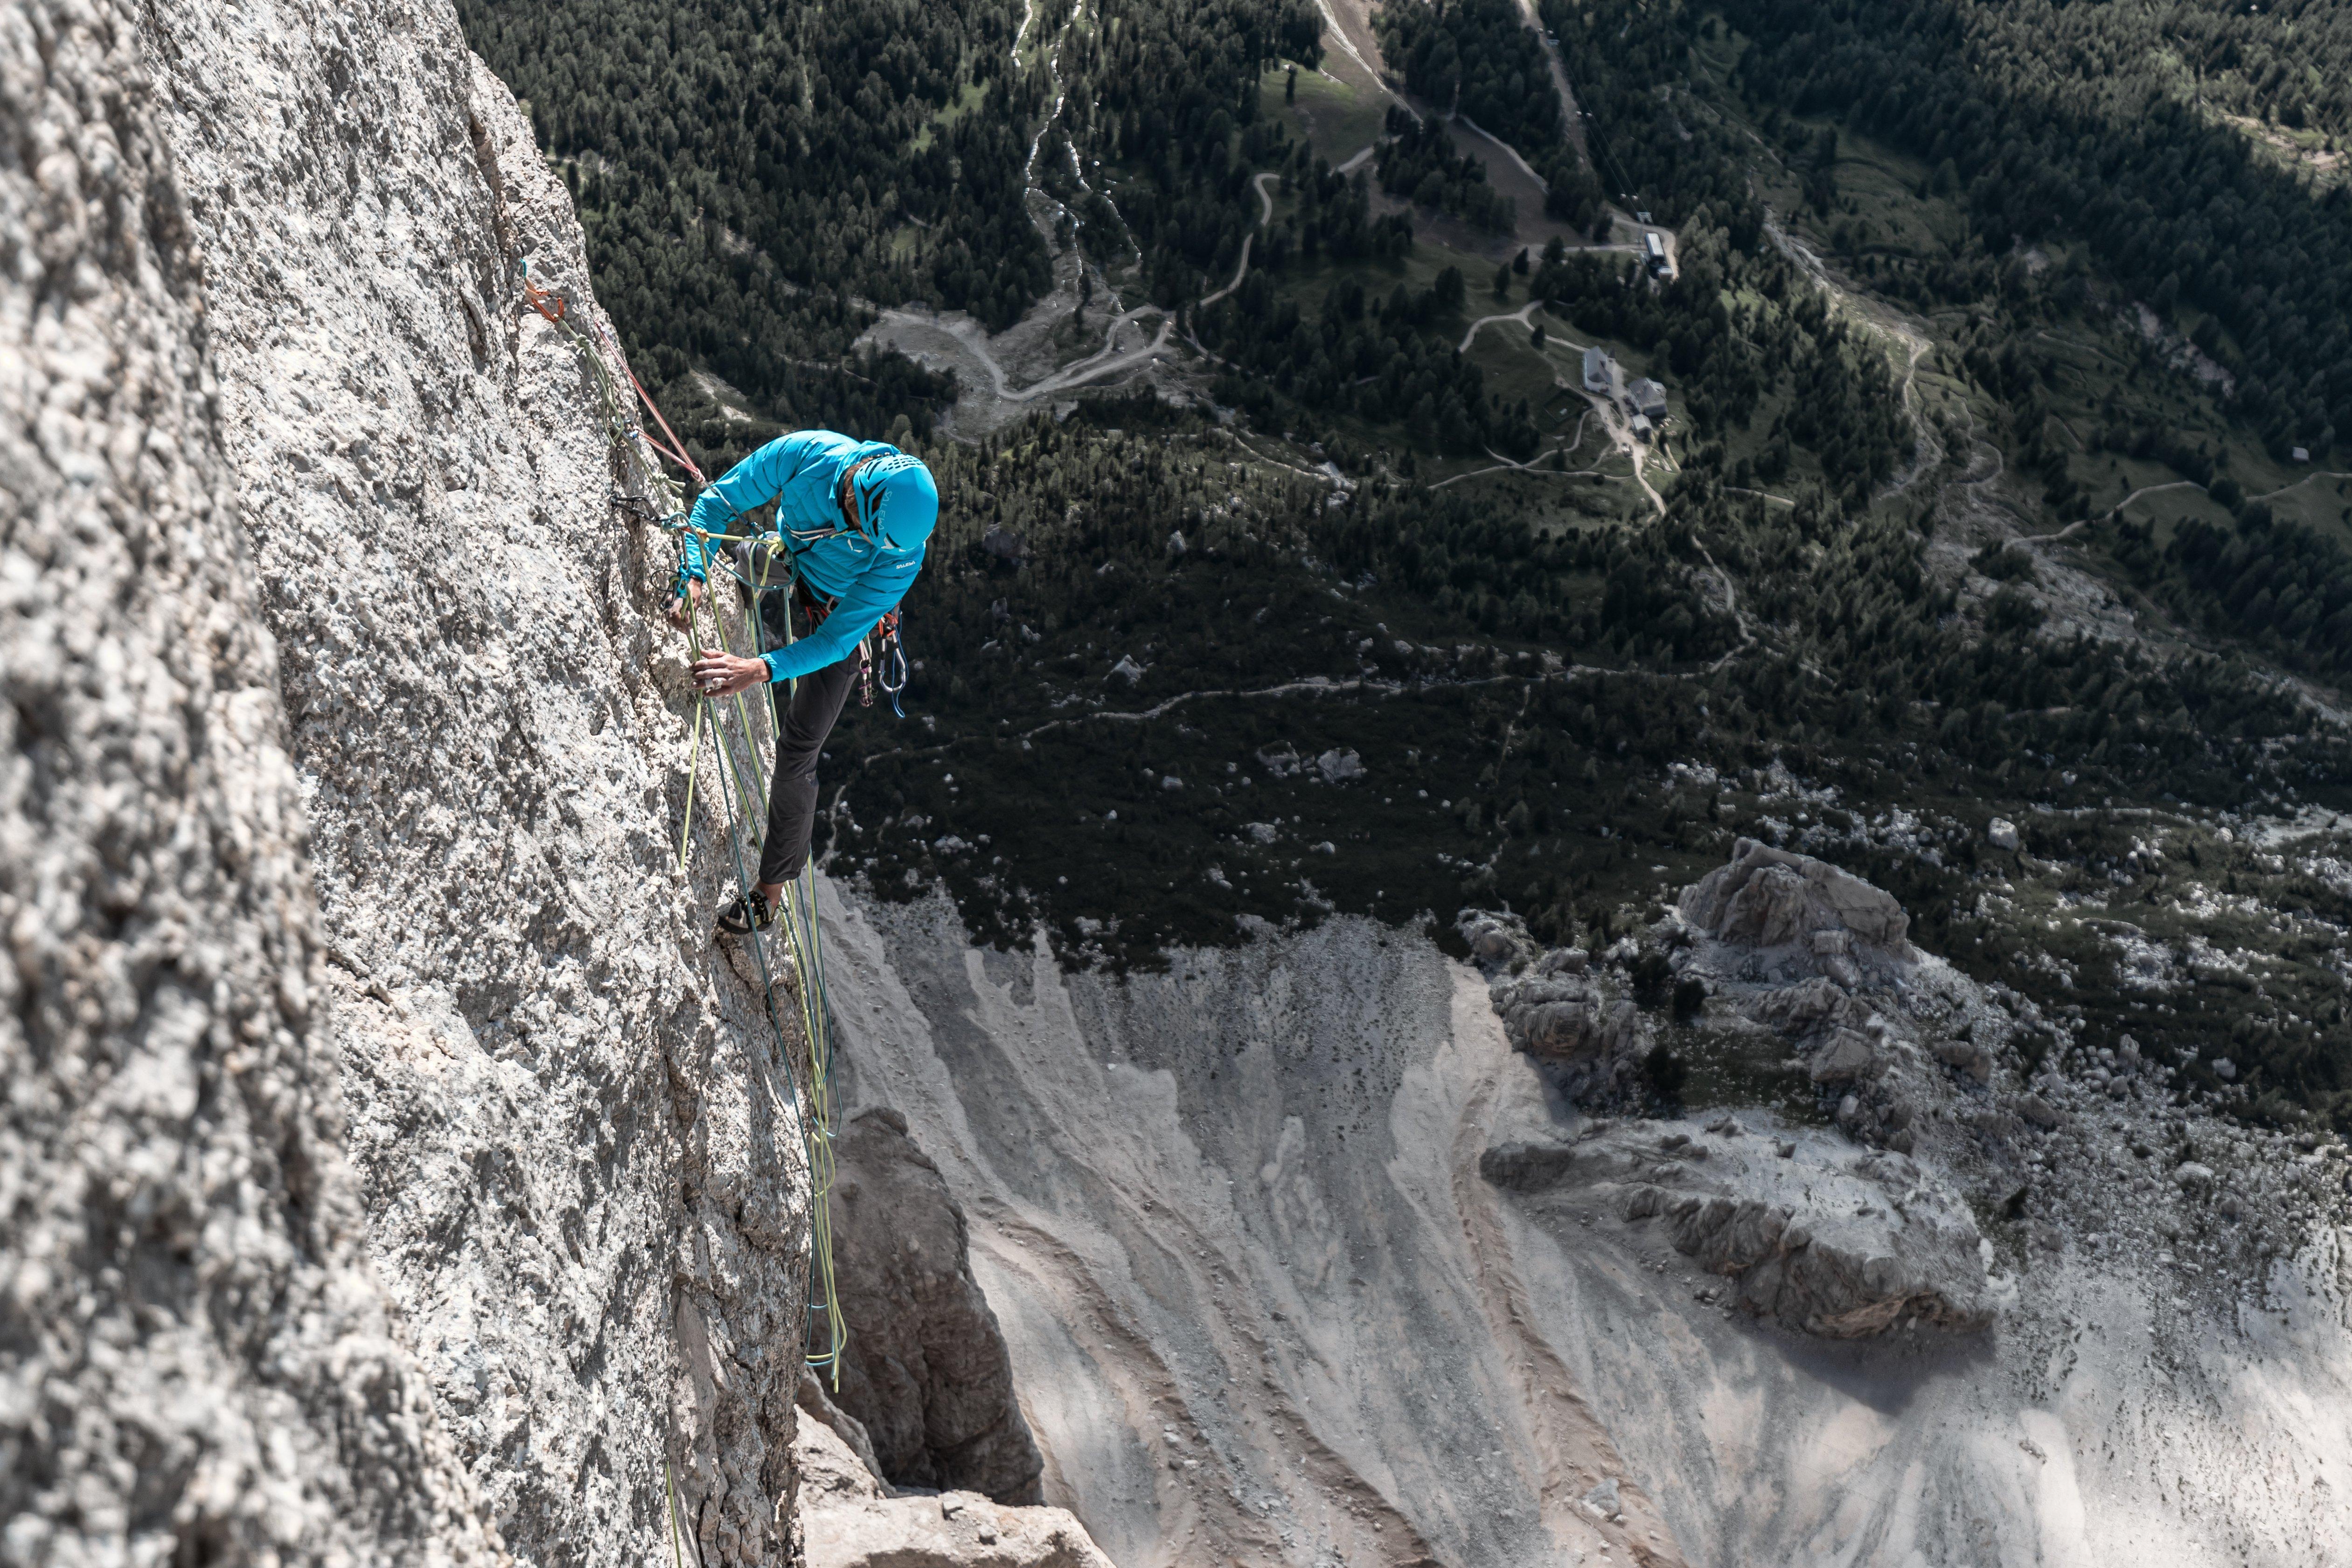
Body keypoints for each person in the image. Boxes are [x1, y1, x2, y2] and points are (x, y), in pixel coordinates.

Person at [675, 429, 938, 935]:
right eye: (860, 523)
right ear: (860, 487)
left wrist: (758, 669)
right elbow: (714, 505)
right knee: (747, 562)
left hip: (839, 618)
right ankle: (753, 573)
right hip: (788, 557)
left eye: (872, 539)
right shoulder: (808, 455)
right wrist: (694, 575)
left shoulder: (902, 553)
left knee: (799, 750)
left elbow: (836, 640)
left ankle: (769, 894)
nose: (863, 539)